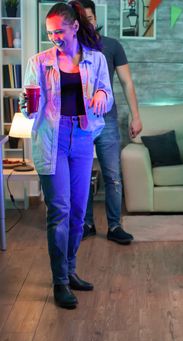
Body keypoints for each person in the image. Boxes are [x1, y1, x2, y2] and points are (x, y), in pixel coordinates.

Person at [21, 1, 113, 309]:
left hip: (83, 137)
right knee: (59, 210)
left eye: (59, 31)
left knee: (78, 212)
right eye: (49, 33)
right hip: (53, 138)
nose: (54, 37)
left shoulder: (96, 60)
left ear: (74, 27)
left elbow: (107, 96)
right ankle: (59, 280)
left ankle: (71, 269)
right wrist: (25, 107)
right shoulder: (39, 62)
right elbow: (32, 106)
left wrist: (101, 94)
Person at [77, 0, 142, 245]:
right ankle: (86, 224)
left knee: (113, 176)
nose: (88, 23)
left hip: (107, 121)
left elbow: (127, 83)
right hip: (80, 123)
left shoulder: (112, 46)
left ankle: (115, 226)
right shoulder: (71, 48)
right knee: (82, 176)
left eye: (90, 18)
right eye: (83, 19)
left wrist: (136, 115)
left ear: (96, 18)